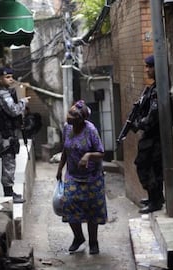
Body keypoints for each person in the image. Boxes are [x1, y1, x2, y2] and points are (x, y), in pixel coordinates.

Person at [56, 100, 107, 255]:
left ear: (81, 119)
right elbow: (65, 150)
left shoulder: (90, 130)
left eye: (73, 115)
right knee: (69, 206)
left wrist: (88, 155)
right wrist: (60, 168)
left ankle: (93, 242)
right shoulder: (67, 128)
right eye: (69, 113)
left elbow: (101, 152)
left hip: (92, 177)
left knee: (92, 210)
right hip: (72, 175)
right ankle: (78, 237)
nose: (68, 116)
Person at [0, 66, 30, 203]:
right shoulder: (2, 94)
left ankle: (9, 192)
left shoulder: (1, 92)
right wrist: (23, 103)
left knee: (9, 159)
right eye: (7, 77)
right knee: (8, 160)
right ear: (0, 78)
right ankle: (8, 195)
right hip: (4, 134)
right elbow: (13, 110)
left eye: (11, 77)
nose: (11, 79)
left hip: (3, 133)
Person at [132, 55, 165, 214]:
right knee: (148, 167)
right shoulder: (152, 88)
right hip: (151, 139)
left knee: (150, 169)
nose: (146, 70)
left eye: (149, 67)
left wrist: (138, 123)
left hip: (155, 138)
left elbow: (151, 118)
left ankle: (156, 201)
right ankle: (155, 198)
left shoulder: (158, 91)